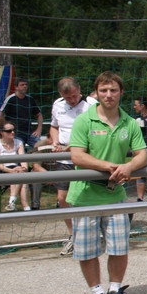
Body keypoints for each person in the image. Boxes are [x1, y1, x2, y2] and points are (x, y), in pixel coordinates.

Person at [67, 72, 147, 294]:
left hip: (115, 194)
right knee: (87, 250)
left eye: (113, 90)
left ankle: (115, 289)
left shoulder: (129, 122)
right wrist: (108, 166)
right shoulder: (84, 121)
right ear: (96, 93)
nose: (108, 95)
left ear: (121, 92)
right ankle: (97, 293)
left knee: (119, 247)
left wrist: (128, 167)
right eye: (104, 90)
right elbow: (77, 155)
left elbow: (142, 154)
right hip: (85, 195)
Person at [48, 77, 97, 255]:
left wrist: (77, 144)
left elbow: (98, 131)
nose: (72, 100)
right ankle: (73, 235)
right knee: (63, 199)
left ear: (79, 90)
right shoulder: (58, 105)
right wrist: (55, 141)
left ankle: (90, 233)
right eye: (68, 97)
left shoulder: (91, 105)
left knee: (86, 197)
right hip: (64, 159)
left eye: (75, 96)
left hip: (85, 158)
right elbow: (54, 126)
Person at [0, 122, 31, 211]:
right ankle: (25, 207)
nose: (12, 132)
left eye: (13, 130)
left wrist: (23, 168)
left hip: (16, 169)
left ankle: (13, 204)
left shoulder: (19, 142)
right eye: (9, 131)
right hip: (0, 170)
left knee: (22, 176)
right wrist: (13, 171)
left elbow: (23, 160)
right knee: (20, 177)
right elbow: (0, 166)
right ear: (1, 132)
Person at [0, 79, 43, 148]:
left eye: (26, 85)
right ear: (16, 87)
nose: (25, 86)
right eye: (22, 85)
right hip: (16, 133)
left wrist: (39, 129)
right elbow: (0, 116)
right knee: (20, 150)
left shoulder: (30, 99)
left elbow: (39, 115)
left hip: (29, 132)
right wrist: (7, 129)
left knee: (43, 147)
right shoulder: (11, 99)